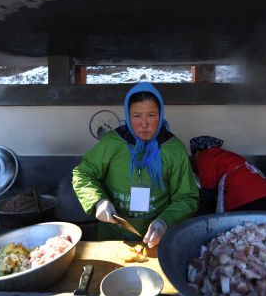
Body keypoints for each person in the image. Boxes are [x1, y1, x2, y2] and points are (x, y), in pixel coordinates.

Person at [72, 82, 199, 247]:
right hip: (113, 238)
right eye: (137, 116)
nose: (144, 124)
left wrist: (164, 222)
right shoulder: (113, 142)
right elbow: (83, 173)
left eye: (151, 115)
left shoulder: (173, 149)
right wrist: (98, 201)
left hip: (157, 239)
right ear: (127, 115)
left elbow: (187, 197)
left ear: (160, 115)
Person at [190, 136, 266, 213]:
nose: (195, 159)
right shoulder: (226, 155)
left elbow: (208, 194)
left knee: (242, 231)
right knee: (265, 231)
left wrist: (199, 217)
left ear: (198, 151)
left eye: (194, 155)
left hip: (246, 200)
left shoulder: (205, 157)